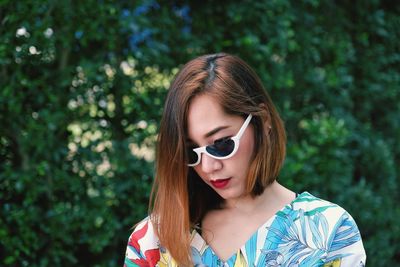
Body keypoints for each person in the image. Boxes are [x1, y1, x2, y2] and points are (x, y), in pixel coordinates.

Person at [123, 53, 366, 267]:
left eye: (221, 144)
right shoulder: (153, 240)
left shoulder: (327, 231)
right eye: (190, 152)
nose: (208, 166)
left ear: (263, 121)